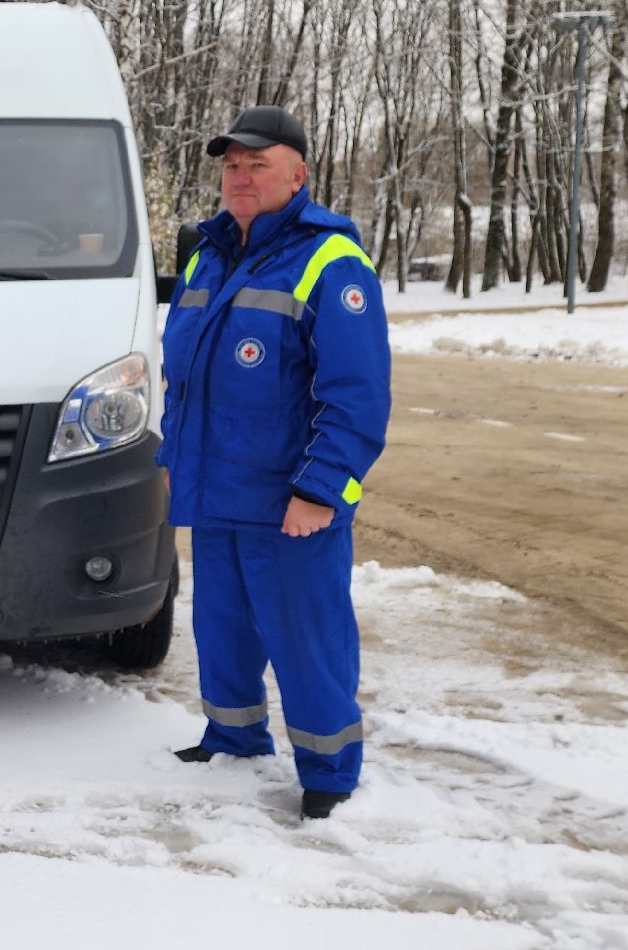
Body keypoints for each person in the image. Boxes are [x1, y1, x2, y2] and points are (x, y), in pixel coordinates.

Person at [157, 105, 391, 820]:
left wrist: (321, 490)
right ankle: (232, 735)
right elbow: (185, 379)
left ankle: (328, 771)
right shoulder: (208, 255)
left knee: (306, 639)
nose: (241, 177)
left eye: (258, 164)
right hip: (218, 495)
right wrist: (174, 457)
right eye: (231, 165)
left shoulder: (332, 263)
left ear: (299, 174)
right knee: (220, 629)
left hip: (291, 504)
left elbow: (356, 397)